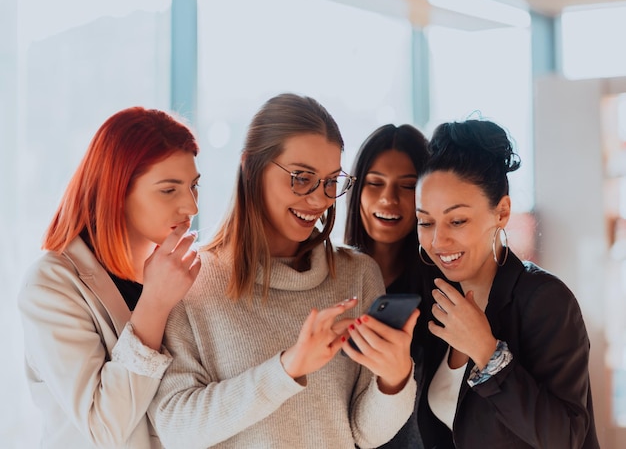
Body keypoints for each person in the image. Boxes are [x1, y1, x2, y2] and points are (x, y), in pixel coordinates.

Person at [149, 93, 419, 449]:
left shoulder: (358, 275)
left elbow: (364, 434)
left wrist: (395, 379)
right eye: (302, 178)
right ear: (251, 167)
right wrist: (288, 367)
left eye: (331, 181)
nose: (320, 199)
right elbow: (176, 428)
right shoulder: (191, 279)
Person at [19, 107, 202, 448]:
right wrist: (155, 304)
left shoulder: (183, 271)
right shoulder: (50, 287)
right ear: (116, 191)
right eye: (169, 190)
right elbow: (105, 427)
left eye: (194, 186)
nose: (191, 207)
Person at [414, 119, 600, 448]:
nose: (438, 240)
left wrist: (488, 353)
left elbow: (567, 438)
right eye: (426, 222)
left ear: (501, 212)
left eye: (457, 221)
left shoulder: (544, 300)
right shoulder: (435, 302)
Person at [344, 123, 431, 448]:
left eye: (407, 186)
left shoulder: (440, 294)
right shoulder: (329, 280)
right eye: (374, 183)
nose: (388, 199)